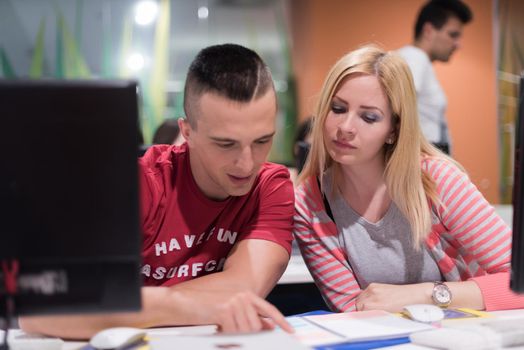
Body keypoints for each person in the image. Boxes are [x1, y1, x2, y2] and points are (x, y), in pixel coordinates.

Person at [20, 44, 295, 339]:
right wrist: (181, 303)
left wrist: (124, 305)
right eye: (225, 144)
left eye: (262, 141)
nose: (247, 163)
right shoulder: (138, 184)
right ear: (186, 132)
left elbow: (242, 289)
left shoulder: (270, 186)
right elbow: (41, 310)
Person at [293, 44, 524, 314]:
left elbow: (517, 285)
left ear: (394, 129)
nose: (345, 128)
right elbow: (353, 311)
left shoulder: (437, 181)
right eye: (338, 108)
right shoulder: (308, 203)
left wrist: (424, 294)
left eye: (369, 117)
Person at [397, 0, 472, 155]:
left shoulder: (418, 61)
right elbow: (397, 105)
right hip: (421, 159)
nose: (458, 44)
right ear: (429, 31)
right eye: (453, 35)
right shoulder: (414, 58)